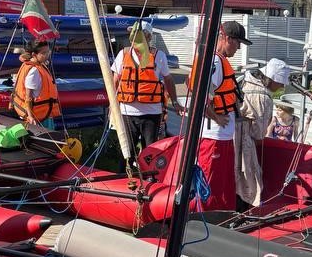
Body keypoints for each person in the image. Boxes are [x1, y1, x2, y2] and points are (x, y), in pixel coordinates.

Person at [190, 21, 248, 211]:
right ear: (227, 39)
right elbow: (200, 96)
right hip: (212, 137)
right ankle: (202, 219)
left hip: (222, 137)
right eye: (238, 43)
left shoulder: (220, 61)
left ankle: (224, 215)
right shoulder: (214, 62)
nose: (238, 48)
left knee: (224, 183)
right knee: (210, 182)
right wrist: (216, 117)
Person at [111, 21, 184, 159]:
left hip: (151, 113)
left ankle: (149, 178)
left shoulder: (159, 56)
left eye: (137, 34)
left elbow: (168, 79)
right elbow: (115, 81)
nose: (133, 37)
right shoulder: (123, 54)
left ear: (148, 37)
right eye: (132, 34)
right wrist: (113, 105)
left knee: (150, 154)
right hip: (127, 113)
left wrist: (175, 102)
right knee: (127, 154)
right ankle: (127, 177)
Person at [236, 58, 289, 208]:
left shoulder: (245, 81)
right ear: (272, 79)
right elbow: (258, 135)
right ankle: (242, 212)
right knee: (248, 182)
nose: (282, 86)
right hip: (244, 141)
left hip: (231, 136)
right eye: (280, 82)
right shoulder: (264, 98)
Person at [11, 39, 61, 128]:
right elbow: (28, 96)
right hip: (37, 117)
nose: (47, 55)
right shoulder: (34, 71)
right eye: (44, 53)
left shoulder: (37, 63)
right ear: (34, 55)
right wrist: (30, 116)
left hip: (44, 114)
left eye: (48, 52)